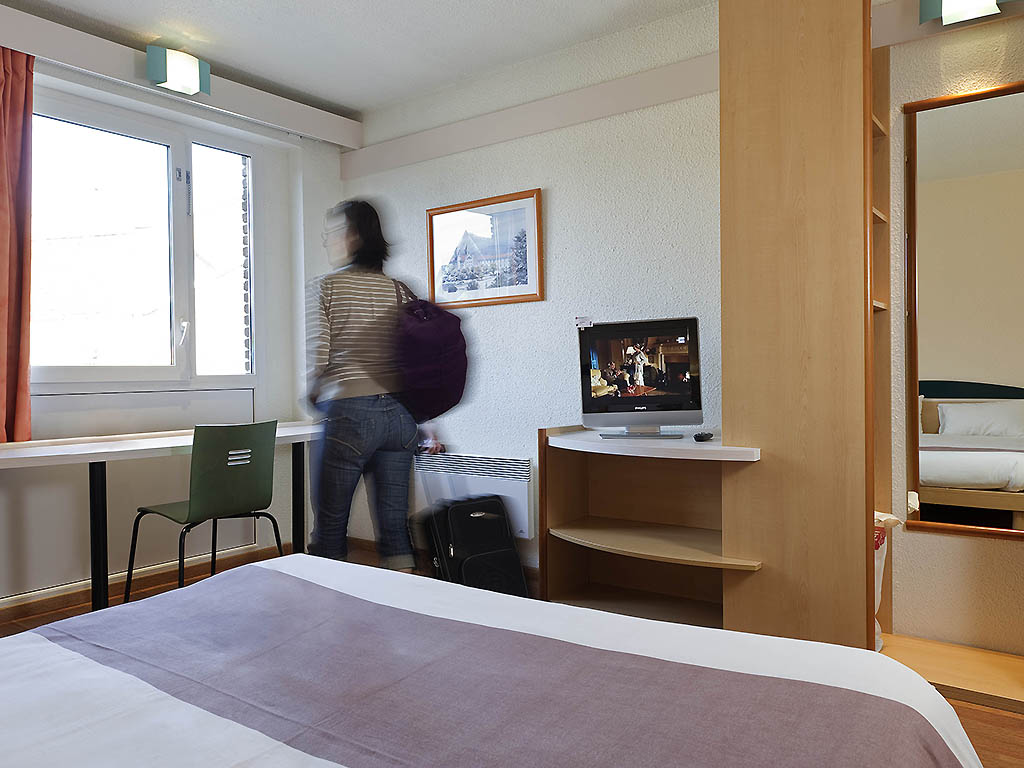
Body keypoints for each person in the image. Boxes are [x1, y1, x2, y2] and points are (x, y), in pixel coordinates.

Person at [305, 199, 441, 572]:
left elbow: (318, 354)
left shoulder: (327, 287)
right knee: (396, 531)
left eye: (332, 232)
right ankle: (400, 603)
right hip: (400, 418)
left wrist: (314, 393)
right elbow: (416, 361)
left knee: (331, 529)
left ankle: (330, 604)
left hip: (349, 413)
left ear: (352, 237)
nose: (328, 240)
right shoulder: (400, 289)